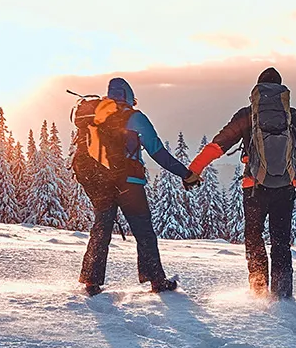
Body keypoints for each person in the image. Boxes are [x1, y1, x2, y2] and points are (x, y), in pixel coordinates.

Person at [188, 67, 296, 299]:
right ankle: (283, 295)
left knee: (254, 237)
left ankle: (258, 291)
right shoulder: (292, 116)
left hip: (254, 187)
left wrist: (194, 170)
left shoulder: (247, 115)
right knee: (280, 242)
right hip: (285, 187)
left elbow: (219, 145)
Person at [73, 77, 202, 296]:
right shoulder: (135, 118)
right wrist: (186, 174)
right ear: (129, 96)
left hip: (102, 183)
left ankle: (91, 281)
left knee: (101, 230)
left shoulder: (96, 118)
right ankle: (156, 280)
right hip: (129, 184)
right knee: (143, 231)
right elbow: (157, 151)